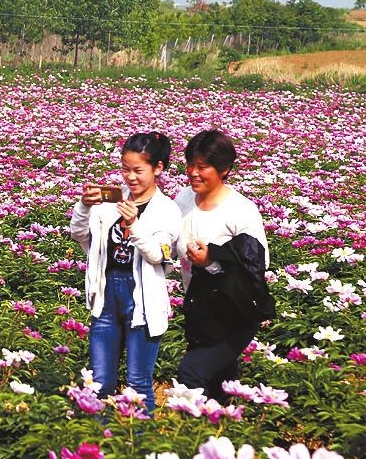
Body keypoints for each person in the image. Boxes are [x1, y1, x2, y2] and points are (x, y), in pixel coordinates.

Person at [69, 132, 180, 413]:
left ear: (158, 168)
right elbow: (80, 235)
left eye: (138, 170)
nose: (130, 177)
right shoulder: (111, 203)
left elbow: (159, 255)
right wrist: (84, 205)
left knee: (138, 383)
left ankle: (140, 450)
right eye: (125, 169)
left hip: (142, 299)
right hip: (107, 295)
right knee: (99, 382)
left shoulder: (167, 210)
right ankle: (99, 446)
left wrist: (135, 224)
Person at [175, 129, 273, 403]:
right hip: (200, 308)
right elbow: (170, 240)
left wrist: (212, 261)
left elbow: (258, 263)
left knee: (191, 373)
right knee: (221, 385)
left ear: (225, 169)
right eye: (190, 164)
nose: (193, 172)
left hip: (234, 313)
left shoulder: (241, 210)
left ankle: (194, 434)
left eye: (202, 166)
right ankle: (223, 434)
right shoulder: (183, 199)